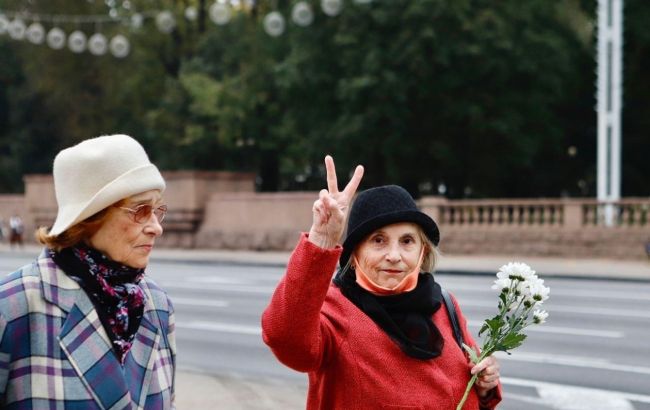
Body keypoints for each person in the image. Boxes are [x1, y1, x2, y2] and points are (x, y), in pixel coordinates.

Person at [262, 156, 501, 409]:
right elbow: (286, 341)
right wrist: (321, 239)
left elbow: (466, 389)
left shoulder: (444, 304)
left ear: (423, 251)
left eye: (407, 241)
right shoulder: (335, 308)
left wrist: (485, 385)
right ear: (355, 255)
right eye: (378, 240)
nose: (394, 255)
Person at [0, 134, 176, 409]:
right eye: (141, 210)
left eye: (157, 210)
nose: (157, 227)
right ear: (92, 217)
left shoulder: (156, 305)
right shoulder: (13, 308)